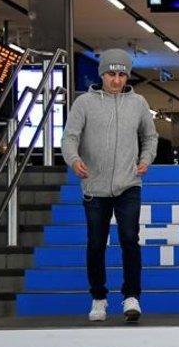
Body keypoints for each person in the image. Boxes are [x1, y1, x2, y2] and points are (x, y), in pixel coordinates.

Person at [61, 49, 158, 323]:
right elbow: (69, 138)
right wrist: (74, 159)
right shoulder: (84, 104)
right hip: (94, 187)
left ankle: (132, 296)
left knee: (129, 239)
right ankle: (99, 298)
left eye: (121, 74)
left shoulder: (138, 103)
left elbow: (150, 137)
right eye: (111, 74)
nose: (116, 80)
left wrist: (145, 159)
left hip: (129, 184)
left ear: (127, 75)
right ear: (102, 74)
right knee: (95, 244)